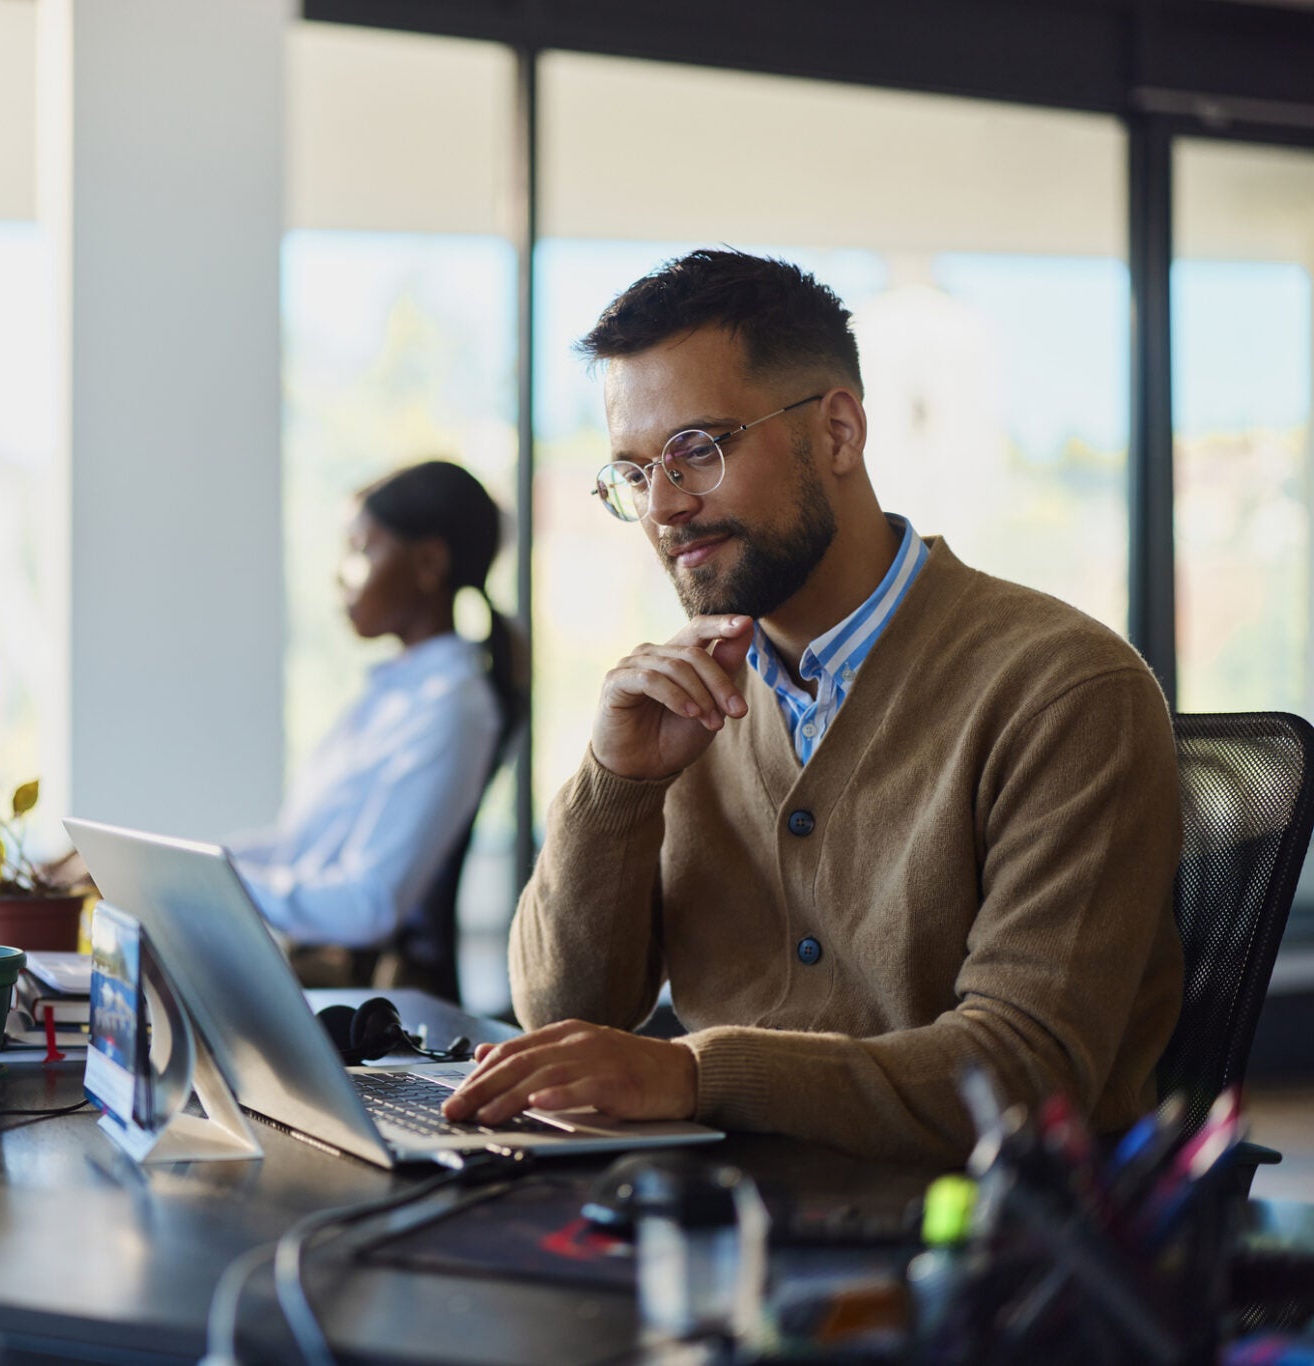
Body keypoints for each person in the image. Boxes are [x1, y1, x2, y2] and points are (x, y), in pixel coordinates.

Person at [440, 249, 1183, 1164]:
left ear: (837, 433)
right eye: (634, 473)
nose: (664, 508)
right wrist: (616, 786)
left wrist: (693, 1075)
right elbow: (562, 1018)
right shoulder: (681, 700)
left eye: (698, 451)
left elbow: (1028, 1070)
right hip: (722, 1206)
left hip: (977, 1246)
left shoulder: (1063, 689)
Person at [230, 460, 525, 996]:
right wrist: (185, 871)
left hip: (367, 1007)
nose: (341, 573)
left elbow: (369, 905)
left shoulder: (451, 706)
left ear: (429, 561)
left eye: (362, 549)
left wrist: (218, 889)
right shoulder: (393, 694)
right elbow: (299, 851)